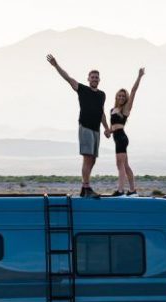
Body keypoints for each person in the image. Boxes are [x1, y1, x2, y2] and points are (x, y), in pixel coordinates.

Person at [46, 54, 109, 198]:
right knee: (87, 158)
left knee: (93, 159)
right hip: (85, 127)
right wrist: (56, 65)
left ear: (99, 80)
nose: (94, 79)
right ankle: (86, 188)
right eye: (92, 77)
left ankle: (84, 187)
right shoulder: (82, 89)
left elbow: (101, 113)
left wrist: (106, 127)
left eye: (96, 77)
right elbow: (68, 78)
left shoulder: (102, 95)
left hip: (96, 130)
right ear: (88, 79)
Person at [106, 68, 145, 196]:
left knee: (120, 164)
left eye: (123, 96)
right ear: (116, 96)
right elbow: (112, 128)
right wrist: (108, 132)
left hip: (122, 138)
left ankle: (120, 190)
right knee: (125, 165)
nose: (121, 97)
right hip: (116, 137)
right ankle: (132, 190)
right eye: (120, 95)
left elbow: (133, 91)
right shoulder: (112, 109)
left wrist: (139, 76)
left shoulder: (125, 109)